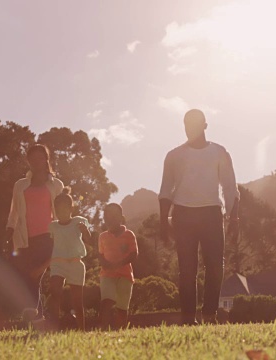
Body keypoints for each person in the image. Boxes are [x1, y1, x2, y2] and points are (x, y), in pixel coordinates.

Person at [158, 109, 240, 326]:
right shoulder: (174, 156)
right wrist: (162, 222)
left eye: (194, 124)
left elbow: (230, 186)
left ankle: (209, 314)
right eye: (186, 125)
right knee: (187, 269)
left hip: (212, 213)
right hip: (183, 215)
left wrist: (234, 218)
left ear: (205, 125)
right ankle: (188, 318)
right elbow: (165, 191)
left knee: (215, 266)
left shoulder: (219, 152)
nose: (189, 129)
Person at [5, 144, 64, 321]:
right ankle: (38, 319)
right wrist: (8, 233)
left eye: (41, 158)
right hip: (24, 238)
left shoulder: (56, 185)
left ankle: (30, 311)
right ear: (28, 161)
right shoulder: (20, 185)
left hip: (48, 237)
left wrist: (65, 234)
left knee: (35, 275)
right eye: (33, 158)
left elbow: (62, 212)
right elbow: (14, 212)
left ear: (46, 160)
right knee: (28, 277)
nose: (37, 162)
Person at [44, 187, 91, 331]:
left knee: (77, 301)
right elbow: (49, 245)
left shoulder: (78, 222)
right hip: (58, 263)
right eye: (57, 210)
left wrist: (85, 231)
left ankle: (81, 329)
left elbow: (89, 240)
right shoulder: (53, 226)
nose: (61, 213)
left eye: (64, 209)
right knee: (55, 293)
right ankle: (54, 328)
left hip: (75, 263)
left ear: (71, 209)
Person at [98, 203, 138, 330]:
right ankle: (104, 328)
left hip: (125, 276)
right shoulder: (102, 236)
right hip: (107, 275)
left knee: (122, 307)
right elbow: (100, 255)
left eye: (114, 216)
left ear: (121, 217)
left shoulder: (129, 234)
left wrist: (119, 264)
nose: (110, 219)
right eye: (107, 216)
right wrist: (107, 265)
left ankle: (121, 330)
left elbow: (134, 254)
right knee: (106, 301)